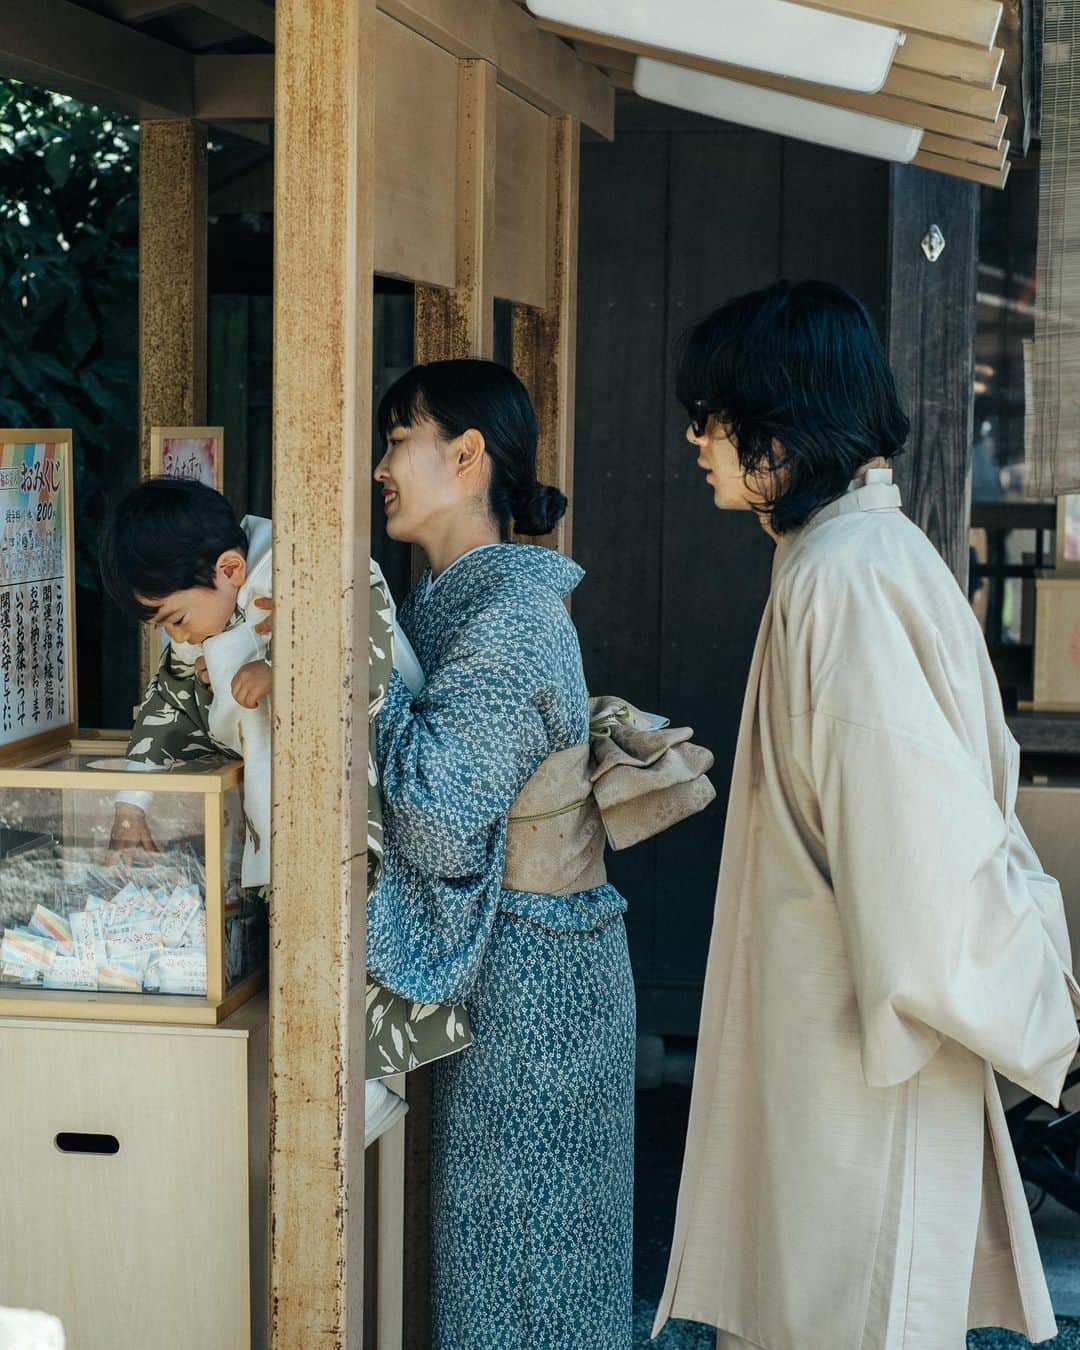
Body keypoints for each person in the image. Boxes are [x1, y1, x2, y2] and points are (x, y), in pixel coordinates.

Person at [655, 280, 1080, 1350]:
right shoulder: (852, 557)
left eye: (715, 414)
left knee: (847, 1314)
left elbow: (916, 855)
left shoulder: (843, 576)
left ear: (785, 423)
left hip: (858, 1050)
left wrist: (1022, 1023)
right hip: (842, 1031)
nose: (696, 437)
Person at [369, 359, 639, 1349]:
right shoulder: (470, 605)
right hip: (528, 959)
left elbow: (438, 820)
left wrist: (358, 676)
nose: (383, 466)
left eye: (401, 438)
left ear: (468, 455)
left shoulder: (512, 620)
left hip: (539, 983)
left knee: (522, 1272)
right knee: (509, 1261)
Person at [100, 480, 471, 1139]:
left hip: (369, 805)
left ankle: (355, 1090)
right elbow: (166, 711)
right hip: (293, 826)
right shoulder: (209, 616)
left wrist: (289, 671)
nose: (176, 637)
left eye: (175, 618)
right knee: (313, 956)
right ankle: (349, 1090)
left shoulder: (313, 569)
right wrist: (133, 805)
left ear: (230, 571)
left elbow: (368, 648)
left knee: (353, 948)